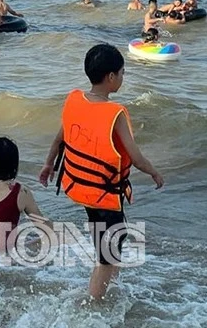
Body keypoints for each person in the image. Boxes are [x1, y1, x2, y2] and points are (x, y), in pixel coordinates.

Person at [38, 44, 163, 300]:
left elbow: (59, 138)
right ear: (111, 78)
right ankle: (94, 302)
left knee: (109, 242)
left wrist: (48, 164)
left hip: (82, 189)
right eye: (122, 73)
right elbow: (136, 157)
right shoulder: (114, 113)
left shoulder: (74, 99)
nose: (123, 77)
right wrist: (154, 173)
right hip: (104, 194)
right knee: (108, 254)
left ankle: (108, 289)